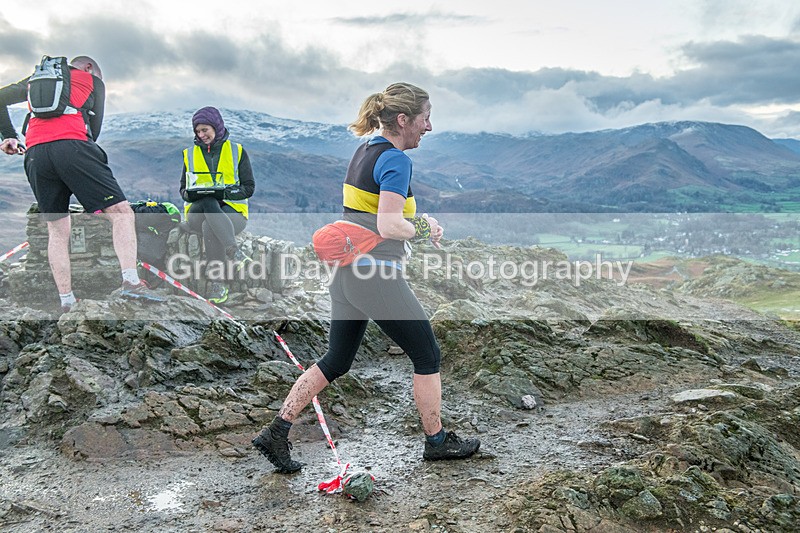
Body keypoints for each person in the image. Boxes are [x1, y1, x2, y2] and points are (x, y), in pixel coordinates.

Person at [252, 82, 480, 473]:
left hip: (346, 274)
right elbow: (389, 224)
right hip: (375, 275)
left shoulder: (364, 151)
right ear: (404, 119)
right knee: (428, 355)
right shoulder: (395, 160)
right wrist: (424, 228)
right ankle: (437, 441)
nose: (429, 126)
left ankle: (277, 431)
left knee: (337, 359)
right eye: (426, 118)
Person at [0, 55, 151, 312]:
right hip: (73, 147)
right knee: (122, 213)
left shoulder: (36, 79)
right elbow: (94, 128)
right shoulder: (91, 80)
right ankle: (131, 282)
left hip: (36, 154)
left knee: (57, 231)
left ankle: (67, 301)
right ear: (90, 67)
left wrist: (9, 136)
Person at [180, 106, 255, 304]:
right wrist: (191, 193)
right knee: (207, 200)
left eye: (205, 129)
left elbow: (249, 187)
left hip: (233, 214)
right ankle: (234, 252)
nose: (201, 134)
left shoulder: (237, 151)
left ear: (216, 126)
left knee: (210, 226)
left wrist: (226, 193)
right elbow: (182, 191)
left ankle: (217, 285)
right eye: (197, 131)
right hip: (197, 212)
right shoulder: (189, 154)